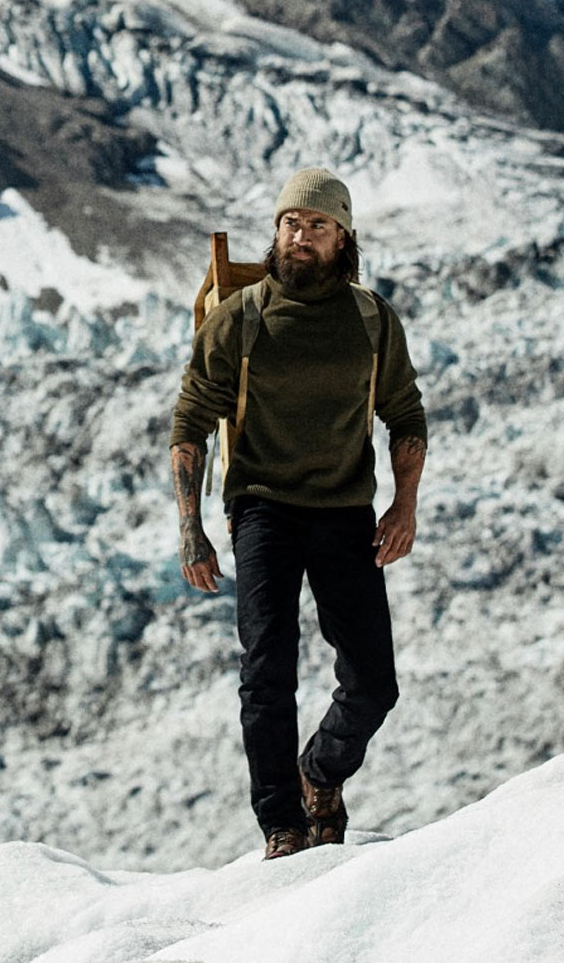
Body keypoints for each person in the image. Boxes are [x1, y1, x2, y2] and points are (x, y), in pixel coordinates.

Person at [169, 167, 427, 860]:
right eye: (290, 223)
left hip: (346, 511)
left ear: (344, 237)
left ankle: (321, 772)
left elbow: (404, 413)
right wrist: (192, 530)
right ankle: (282, 823)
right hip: (264, 511)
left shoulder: (372, 321)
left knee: (374, 679)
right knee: (266, 670)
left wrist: (405, 505)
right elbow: (190, 422)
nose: (300, 236)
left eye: (316, 225)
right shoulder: (241, 317)